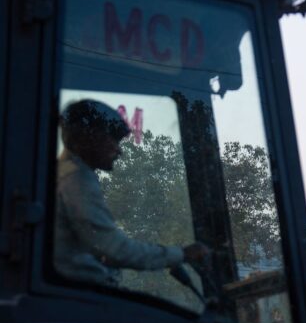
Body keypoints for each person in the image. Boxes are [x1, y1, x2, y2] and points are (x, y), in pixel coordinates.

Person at [54, 99, 208, 286]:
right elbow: (115, 250)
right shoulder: (77, 179)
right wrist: (182, 254)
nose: (119, 151)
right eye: (114, 141)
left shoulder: (66, 173)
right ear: (90, 138)